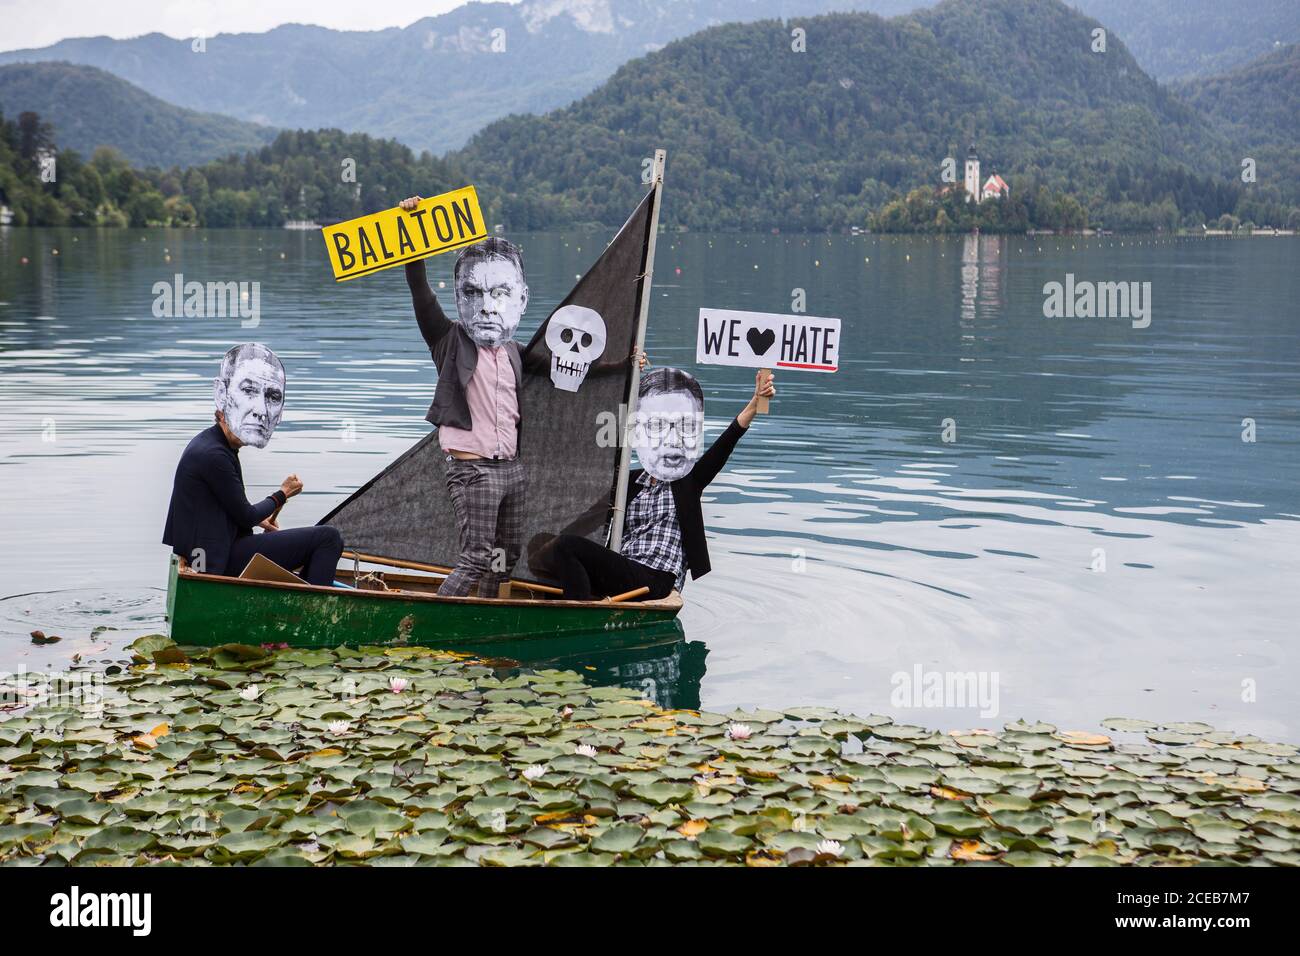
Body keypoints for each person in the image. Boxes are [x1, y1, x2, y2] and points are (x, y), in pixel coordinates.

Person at [546, 365, 776, 601]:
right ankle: (578, 606)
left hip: (656, 578)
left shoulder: (688, 481)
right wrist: (631, 367)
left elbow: (725, 443)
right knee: (555, 546)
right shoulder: (630, 480)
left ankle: (579, 615)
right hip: (624, 569)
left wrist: (755, 404)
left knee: (567, 546)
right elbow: (590, 512)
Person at [399, 194, 532, 598]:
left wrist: (629, 362)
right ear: (460, 298)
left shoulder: (514, 351)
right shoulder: (447, 339)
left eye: (499, 296)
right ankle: (432, 624)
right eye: (473, 293)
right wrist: (413, 224)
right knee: (476, 557)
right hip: (472, 471)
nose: (488, 307)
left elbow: (573, 366)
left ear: (519, 301)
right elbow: (420, 289)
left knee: (504, 557)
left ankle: (483, 616)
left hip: (511, 470)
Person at [162, 343, 344, 586]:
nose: (260, 412)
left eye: (272, 397)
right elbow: (245, 516)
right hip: (219, 561)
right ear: (223, 400)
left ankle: (300, 595)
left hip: (206, 557)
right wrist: (283, 494)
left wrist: (262, 520)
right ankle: (317, 613)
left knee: (315, 545)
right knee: (328, 539)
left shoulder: (211, 444)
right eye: (248, 392)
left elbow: (226, 508)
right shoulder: (214, 454)